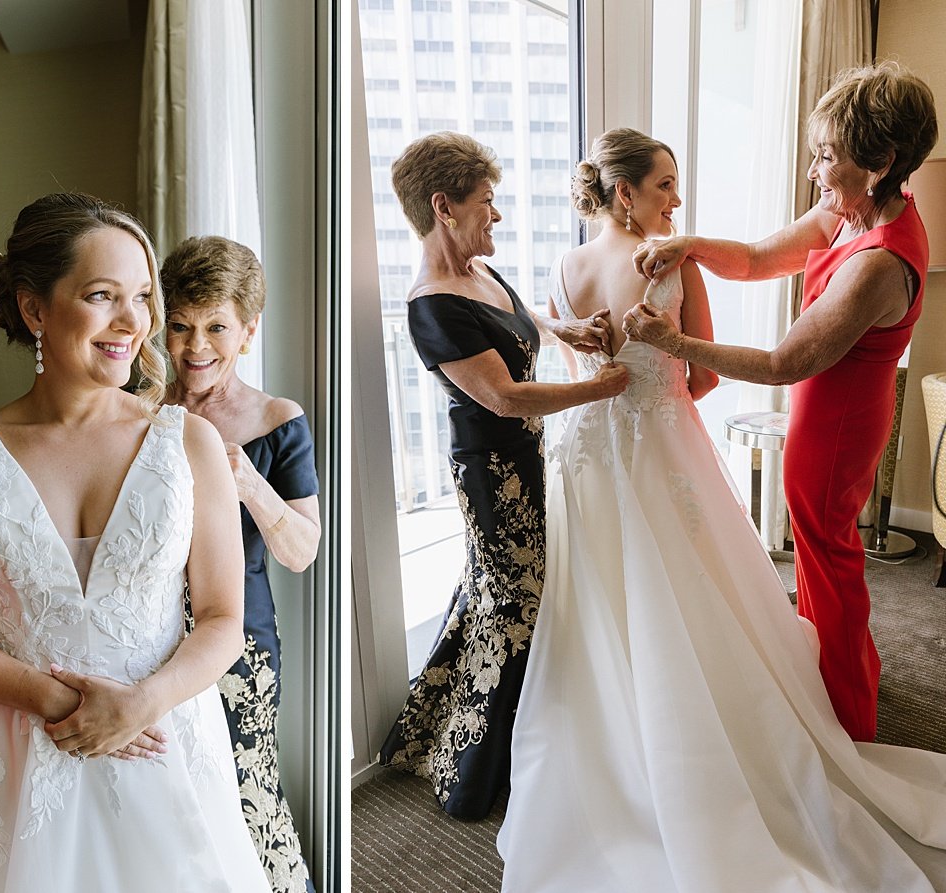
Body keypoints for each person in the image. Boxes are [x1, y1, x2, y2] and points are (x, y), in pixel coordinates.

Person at [499, 127, 946, 893]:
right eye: (667, 184)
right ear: (626, 192)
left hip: (586, 457)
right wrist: (664, 379)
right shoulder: (670, 263)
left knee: (603, 601)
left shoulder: (566, 265)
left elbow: (574, 358)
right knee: (698, 589)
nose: (679, 199)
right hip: (665, 445)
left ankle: (620, 741)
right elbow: (702, 378)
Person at [0, 193, 269, 891]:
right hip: (13, 745)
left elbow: (223, 619)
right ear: (36, 309)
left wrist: (141, 704)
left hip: (159, 735)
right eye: (103, 296)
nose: (133, 322)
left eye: (141, 296)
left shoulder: (188, 442)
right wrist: (59, 704)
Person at [625, 62, 938, 742]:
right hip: (832, 409)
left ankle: (847, 716)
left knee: (828, 561)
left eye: (828, 156)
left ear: (881, 160)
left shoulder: (878, 263)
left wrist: (674, 342)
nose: (814, 171)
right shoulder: (850, 211)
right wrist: (692, 245)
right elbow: (760, 257)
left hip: (836, 429)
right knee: (824, 560)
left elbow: (781, 362)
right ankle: (838, 679)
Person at [376, 132, 629, 819]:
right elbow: (505, 396)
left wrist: (565, 331)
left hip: (527, 458)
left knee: (495, 593)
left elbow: (515, 326)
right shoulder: (431, 304)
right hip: (492, 474)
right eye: (486, 203)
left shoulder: (480, 273)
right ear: (443, 206)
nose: (498, 217)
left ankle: (431, 723)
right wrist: (602, 390)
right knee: (512, 606)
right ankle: (471, 768)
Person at [161, 235, 320, 892]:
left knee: (248, 795)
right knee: (171, 800)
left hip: (241, 647)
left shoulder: (280, 421)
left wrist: (250, 482)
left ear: (248, 330)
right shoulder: (142, 415)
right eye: (180, 326)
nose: (196, 346)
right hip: (151, 641)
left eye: (216, 327)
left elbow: (302, 550)